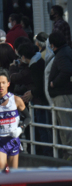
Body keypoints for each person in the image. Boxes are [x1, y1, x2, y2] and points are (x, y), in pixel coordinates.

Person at [0, 68, 30, 169]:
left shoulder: (17, 100)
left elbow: (28, 117)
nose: (1, 86)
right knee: (2, 171)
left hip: (13, 140)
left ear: (8, 84)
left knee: (13, 175)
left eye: (3, 83)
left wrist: (21, 128)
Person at [48, 31, 72, 160]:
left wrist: (53, 83)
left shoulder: (62, 54)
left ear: (52, 44)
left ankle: (70, 154)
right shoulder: (67, 50)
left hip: (63, 95)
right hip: (65, 93)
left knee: (65, 126)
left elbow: (66, 70)